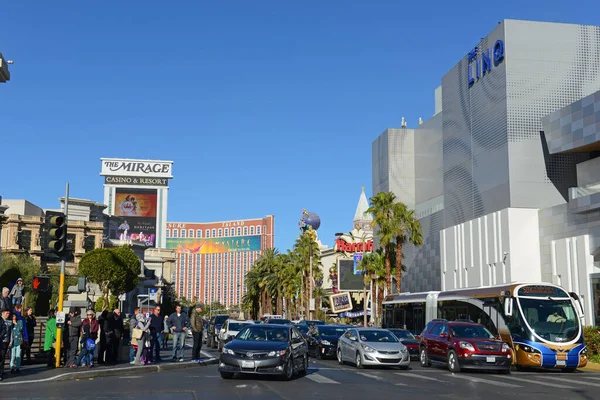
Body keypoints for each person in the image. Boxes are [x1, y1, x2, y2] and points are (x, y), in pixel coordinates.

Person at [0, 308, 11, 381]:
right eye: (7, 313)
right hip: (1, 341)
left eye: (9, 313)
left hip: (5, 341)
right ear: (3, 313)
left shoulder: (7, 321)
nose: (8, 315)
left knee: (2, 357)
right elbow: (3, 330)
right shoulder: (1, 320)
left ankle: (1, 371)